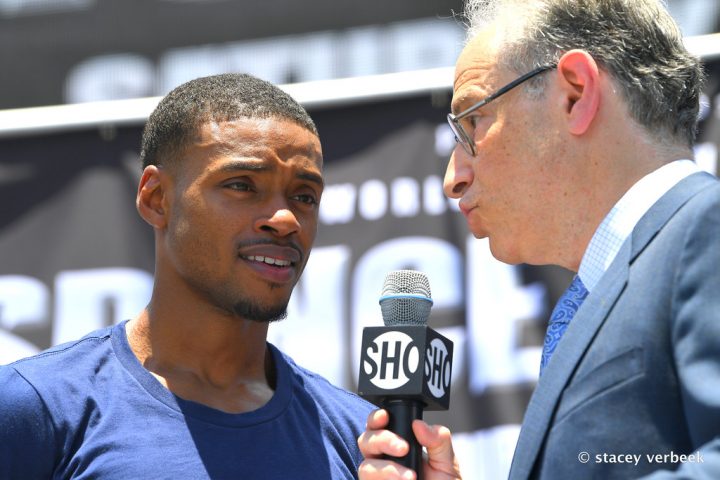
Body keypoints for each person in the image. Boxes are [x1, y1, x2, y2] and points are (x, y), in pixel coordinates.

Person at [358, 0, 720, 478]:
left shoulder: (705, 228)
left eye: (473, 123)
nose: (452, 178)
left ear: (575, 93)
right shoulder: (608, 287)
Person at [0, 73, 374, 479]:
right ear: (156, 199)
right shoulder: (35, 407)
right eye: (242, 185)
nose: (285, 219)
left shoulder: (358, 436)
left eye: (304, 196)